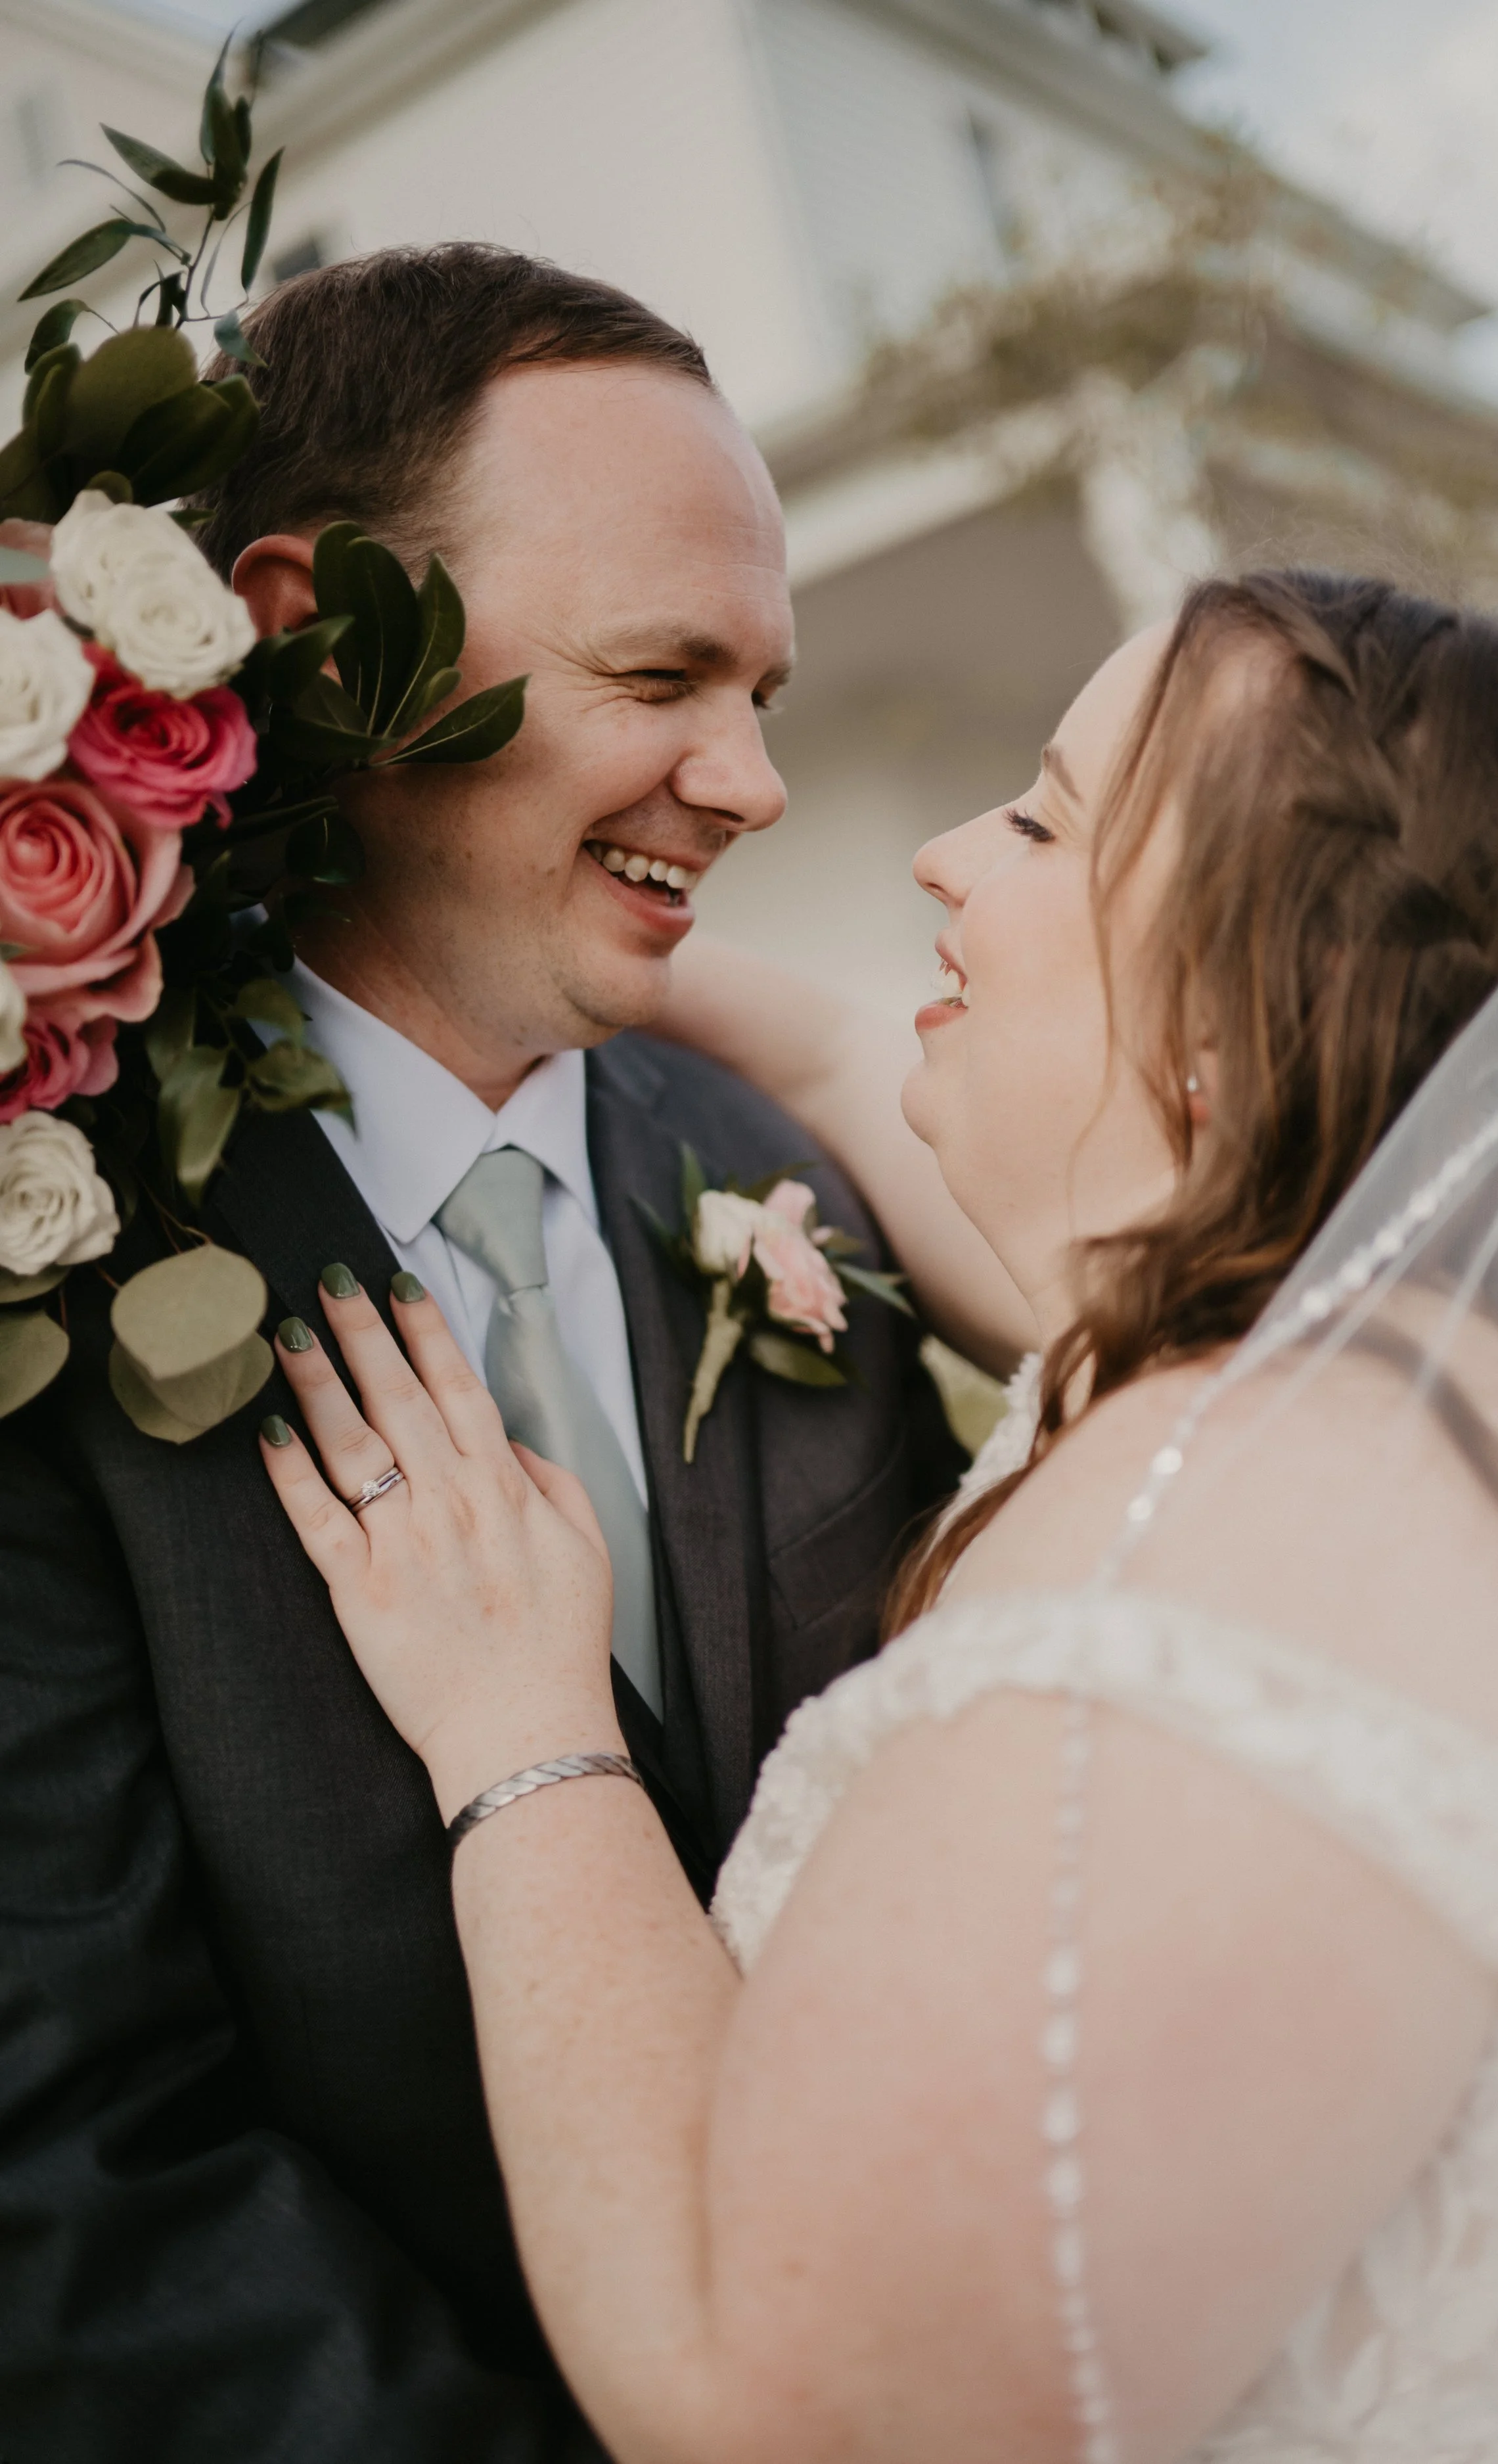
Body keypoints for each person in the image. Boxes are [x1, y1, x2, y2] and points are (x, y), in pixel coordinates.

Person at [263, 570, 1498, 2460]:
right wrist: (412, 913)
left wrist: (525, 1730)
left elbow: (783, 2407)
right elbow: (838, 1054)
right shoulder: (1393, 1386)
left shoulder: (1212, 1558)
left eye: (1043, 824)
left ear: (1227, 1015)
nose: (940, 854)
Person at [0, 244, 972, 2463]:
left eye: (765, 691)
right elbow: (68, 2171)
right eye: (661, 674)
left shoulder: (791, 1171)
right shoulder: (51, 1258)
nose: (752, 781)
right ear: (323, 638)